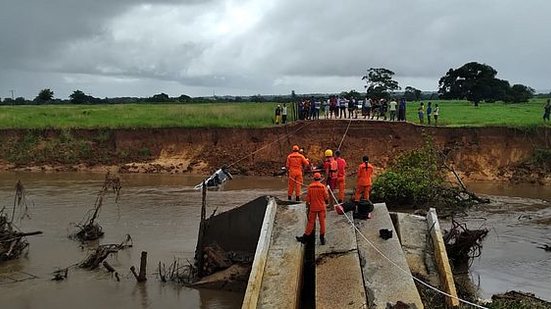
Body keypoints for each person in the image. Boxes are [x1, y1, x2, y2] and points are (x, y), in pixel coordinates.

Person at [296, 172, 329, 245]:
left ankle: (305, 238)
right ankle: (322, 238)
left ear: (313, 178)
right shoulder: (323, 187)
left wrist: (308, 205)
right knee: (322, 223)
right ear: (320, 178)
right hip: (321, 207)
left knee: (310, 223)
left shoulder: (310, 187)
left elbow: (308, 199)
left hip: (313, 207)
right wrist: (326, 202)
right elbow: (326, 197)